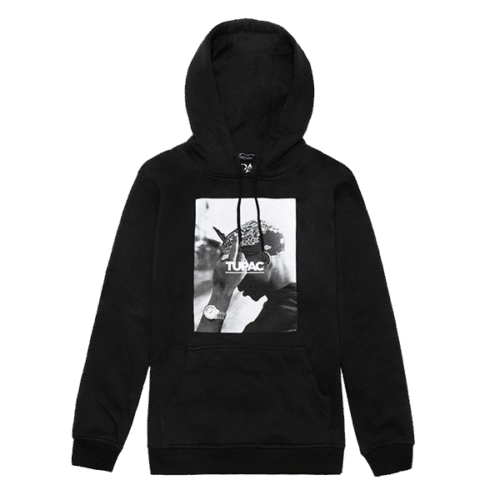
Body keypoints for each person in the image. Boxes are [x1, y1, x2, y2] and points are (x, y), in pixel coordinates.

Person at [196, 220, 297, 333]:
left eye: (241, 270)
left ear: (263, 260)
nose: (238, 286)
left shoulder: (287, 320)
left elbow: (204, 344)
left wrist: (222, 291)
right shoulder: (283, 305)